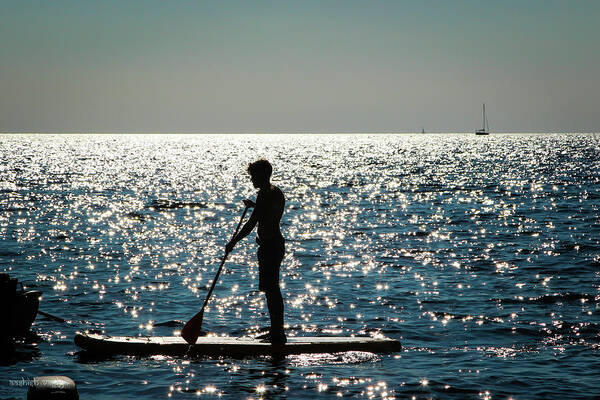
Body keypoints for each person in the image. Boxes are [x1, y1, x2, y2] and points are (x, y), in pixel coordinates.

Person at [225, 159, 287, 344]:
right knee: (270, 290)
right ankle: (275, 330)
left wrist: (233, 242)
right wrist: (255, 206)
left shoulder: (266, 195)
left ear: (262, 176)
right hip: (269, 246)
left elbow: (252, 223)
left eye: (253, 177)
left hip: (271, 247)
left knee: (272, 289)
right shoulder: (272, 192)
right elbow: (267, 211)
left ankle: (278, 333)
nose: (251, 180)